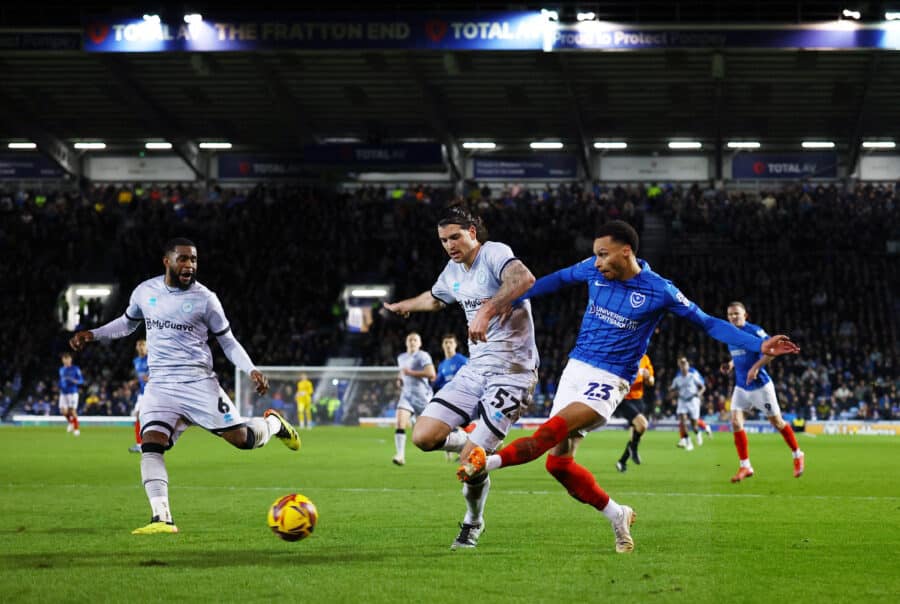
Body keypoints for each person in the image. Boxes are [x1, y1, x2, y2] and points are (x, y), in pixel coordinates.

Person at [457, 220, 800, 553]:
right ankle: (618, 514)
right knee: (558, 465)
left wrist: (759, 344)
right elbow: (557, 280)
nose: (598, 261)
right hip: (575, 370)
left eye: (604, 254)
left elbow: (707, 322)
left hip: (611, 379)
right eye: (596, 254)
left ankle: (485, 463)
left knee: (548, 433)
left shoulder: (660, 289)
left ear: (626, 252)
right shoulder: (592, 269)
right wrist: (502, 302)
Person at [69, 237, 301, 535]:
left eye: (193, 259)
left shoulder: (206, 299)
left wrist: (251, 369)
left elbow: (227, 340)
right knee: (151, 444)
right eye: (183, 259)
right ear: (167, 261)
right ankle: (162, 518)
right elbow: (127, 324)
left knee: (242, 440)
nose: (189, 265)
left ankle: (272, 424)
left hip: (198, 383)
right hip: (160, 385)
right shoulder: (145, 291)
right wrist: (93, 334)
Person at [382, 206, 539, 549]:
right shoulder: (453, 270)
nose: (449, 244)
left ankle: (473, 521)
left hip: (513, 373)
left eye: (455, 236)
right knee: (423, 436)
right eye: (443, 240)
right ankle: (470, 442)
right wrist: (405, 305)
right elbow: (436, 299)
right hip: (476, 369)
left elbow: (524, 279)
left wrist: (486, 309)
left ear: (472, 232)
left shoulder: (494, 253)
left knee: (470, 463)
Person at [720, 301, 805, 482]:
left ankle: (797, 454)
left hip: (760, 386)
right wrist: (730, 364)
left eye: (736, 313)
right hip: (741, 386)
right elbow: (739, 355)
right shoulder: (729, 334)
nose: (733, 317)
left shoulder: (755, 331)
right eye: (730, 314)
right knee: (735, 422)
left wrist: (756, 367)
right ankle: (745, 466)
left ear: (745, 315)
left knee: (777, 422)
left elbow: (771, 350)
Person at [392, 331, 436, 465]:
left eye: (415, 340)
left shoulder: (423, 356)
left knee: (429, 434)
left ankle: (456, 446)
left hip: (422, 397)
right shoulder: (401, 357)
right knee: (400, 423)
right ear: (406, 342)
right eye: (410, 340)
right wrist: (400, 379)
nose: (412, 342)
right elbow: (402, 373)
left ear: (420, 343)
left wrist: (411, 373)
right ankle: (400, 455)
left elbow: (431, 374)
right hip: (406, 396)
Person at [614, 353, 653, 472]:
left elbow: (651, 382)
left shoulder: (645, 359)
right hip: (625, 399)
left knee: (638, 433)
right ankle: (633, 451)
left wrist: (648, 378)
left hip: (639, 400)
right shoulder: (624, 356)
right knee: (642, 425)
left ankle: (622, 462)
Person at [670, 357, 705, 451]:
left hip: (693, 400)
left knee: (694, 425)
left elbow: (702, 387)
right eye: (682, 365)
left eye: (685, 365)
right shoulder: (677, 379)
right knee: (683, 422)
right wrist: (673, 394)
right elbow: (672, 389)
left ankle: (698, 433)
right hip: (682, 401)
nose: (683, 367)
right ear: (680, 367)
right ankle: (689, 443)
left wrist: (699, 393)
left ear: (688, 366)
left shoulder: (692, 376)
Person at [128, 339, 149, 453]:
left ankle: (142, 444)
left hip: (152, 393)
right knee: (138, 417)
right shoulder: (136, 361)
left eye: (143, 345)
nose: (141, 347)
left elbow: (160, 374)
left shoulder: (152, 359)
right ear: (136, 347)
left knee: (141, 416)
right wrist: (135, 382)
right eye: (139, 345)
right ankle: (140, 444)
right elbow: (141, 377)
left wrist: (150, 378)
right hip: (142, 393)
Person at [58, 352, 84, 436]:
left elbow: (81, 380)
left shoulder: (75, 369)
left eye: (67, 359)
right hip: (63, 393)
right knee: (63, 411)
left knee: (72, 411)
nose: (66, 361)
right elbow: (61, 380)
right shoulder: (61, 369)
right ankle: (71, 423)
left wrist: (74, 381)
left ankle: (76, 429)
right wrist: (59, 386)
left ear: (70, 360)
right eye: (64, 360)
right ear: (62, 360)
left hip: (72, 392)